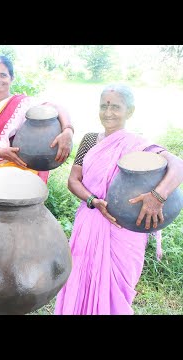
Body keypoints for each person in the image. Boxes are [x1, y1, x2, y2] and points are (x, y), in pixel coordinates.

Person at [54, 83, 183, 315]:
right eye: (104, 106)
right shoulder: (90, 140)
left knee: (118, 291)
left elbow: (178, 165)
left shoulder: (139, 145)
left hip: (124, 231)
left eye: (116, 106)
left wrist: (157, 196)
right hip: (90, 221)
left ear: (129, 111)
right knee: (79, 279)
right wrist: (93, 200)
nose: (108, 112)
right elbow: (74, 180)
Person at [0, 55, 74, 212]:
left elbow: (56, 107)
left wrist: (68, 130)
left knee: (18, 221)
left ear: (12, 78)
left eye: (3, 75)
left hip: (19, 173)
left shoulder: (23, 104)